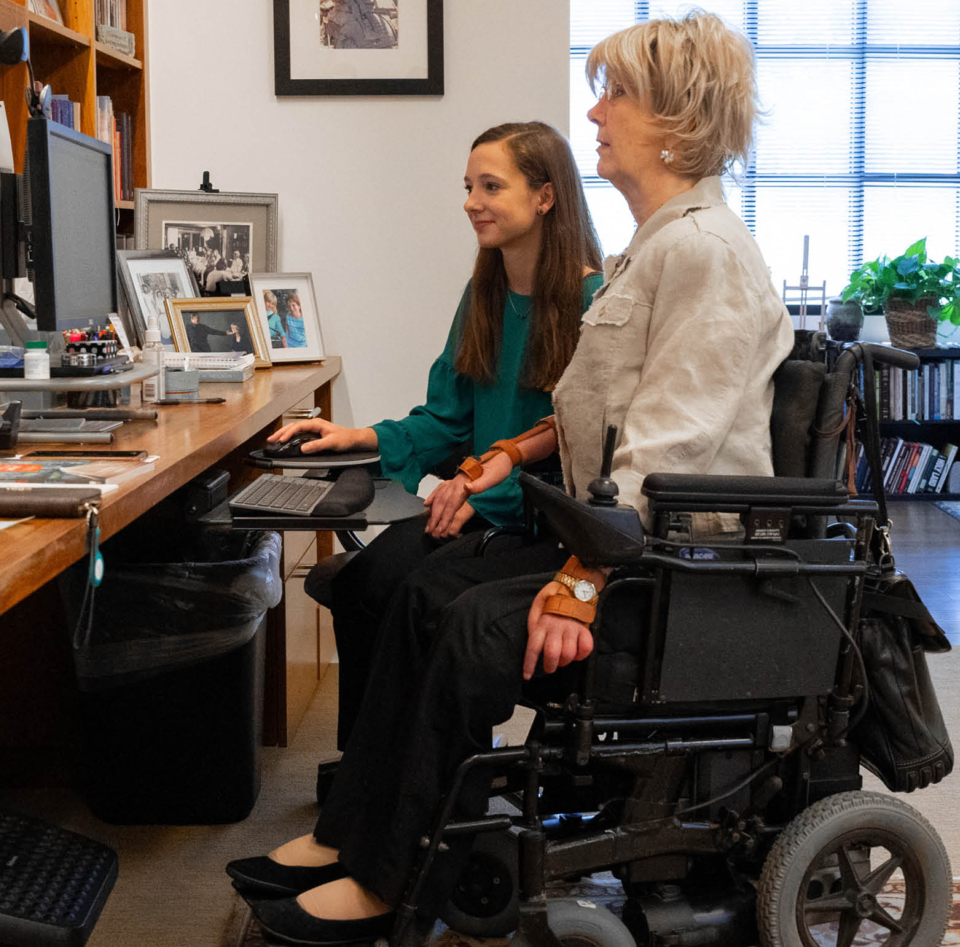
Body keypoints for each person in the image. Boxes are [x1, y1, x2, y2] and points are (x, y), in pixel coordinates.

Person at [238, 14, 792, 943]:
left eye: (614, 93)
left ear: (674, 117)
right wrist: (512, 454)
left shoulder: (703, 254)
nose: (595, 111)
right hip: (624, 542)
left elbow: (667, 459)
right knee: (414, 597)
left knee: (456, 622)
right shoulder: (656, 248)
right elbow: (590, 417)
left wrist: (578, 583)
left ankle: (392, 875)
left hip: (670, 570)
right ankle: (363, 836)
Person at [260, 120, 604, 756]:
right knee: (366, 581)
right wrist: (357, 434)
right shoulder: (484, 293)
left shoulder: (594, 300)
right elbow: (446, 418)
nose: (471, 201)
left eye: (490, 186)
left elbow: (577, 447)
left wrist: (478, 490)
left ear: (545, 197)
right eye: (469, 185)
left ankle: (420, 777)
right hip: (470, 505)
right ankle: (366, 767)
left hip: (534, 524)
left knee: (410, 595)